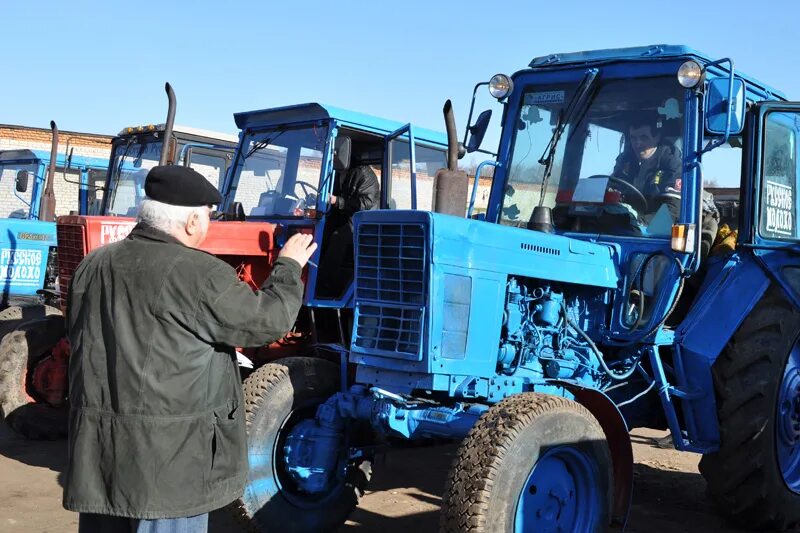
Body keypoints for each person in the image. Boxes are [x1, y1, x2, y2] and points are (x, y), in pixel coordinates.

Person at [63, 165, 317, 532]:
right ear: (191, 222)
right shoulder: (200, 273)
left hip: (99, 455)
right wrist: (288, 267)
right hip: (169, 465)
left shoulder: (92, 264)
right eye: (208, 218)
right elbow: (267, 322)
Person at [317, 146, 379, 297]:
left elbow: (365, 203)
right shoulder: (335, 173)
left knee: (338, 237)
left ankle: (325, 288)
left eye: (335, 152)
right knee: (318, 232)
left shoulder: (364, 174)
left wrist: (337, 200)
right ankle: (312, 279)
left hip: (361, 222)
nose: (334, 155)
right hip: (341, 217)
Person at [612, 113, 682, 214]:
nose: (637, 143)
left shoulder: (672, 163)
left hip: (653, 227)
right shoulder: (623, 160)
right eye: (633, 138)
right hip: (623, 223)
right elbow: (612, 189)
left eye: (644, 137)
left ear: (657, 138)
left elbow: (672, 209)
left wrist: (640, 222)